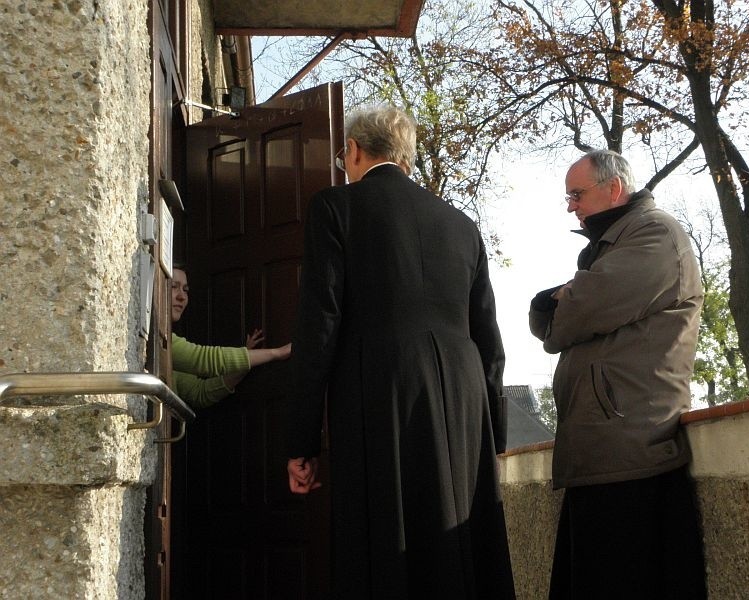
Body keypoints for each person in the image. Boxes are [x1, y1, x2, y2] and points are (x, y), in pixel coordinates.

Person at [286, 104, 516, 599]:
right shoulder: (462, 225)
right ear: (406, 159)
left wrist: (301, 441)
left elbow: (318, 327)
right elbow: (490, 340)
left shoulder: (335, 207)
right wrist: (493, 435)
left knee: (385, 536)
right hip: (462, 395)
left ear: (353, 151)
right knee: (456, 532)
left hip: (380, 387)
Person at [529, 149, 707, 599]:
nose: (570, 205)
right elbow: (556, 313)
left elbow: (574, 314)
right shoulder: (615, 243)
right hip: (607, 451)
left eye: (576, 193)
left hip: (632, 452)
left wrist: (563, 301)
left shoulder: (655, 234)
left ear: (613, 188)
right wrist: (557, 300)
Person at [170, 266, 291, 409]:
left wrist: (246, 362)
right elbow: (204, 359)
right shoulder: (164, 341)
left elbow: (200, 393)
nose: (182, 296)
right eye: (173, 286)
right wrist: (278, 353)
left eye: (185, 290)